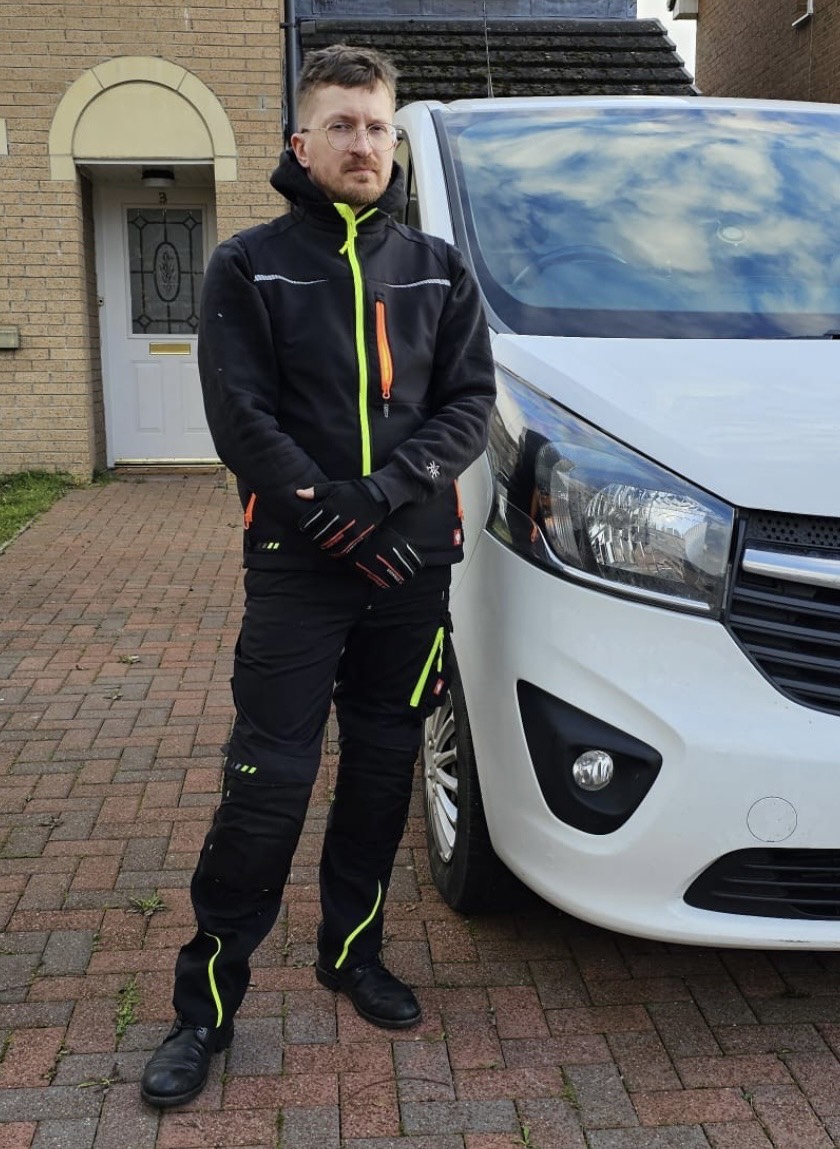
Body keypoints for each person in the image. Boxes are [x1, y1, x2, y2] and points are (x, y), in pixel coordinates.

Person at [140, 43, 496, 1109]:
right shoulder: (247, 265)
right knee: (269, 780)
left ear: (395, 141)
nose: (362, 143)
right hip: (299, 568)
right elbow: (240, 420)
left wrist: (387, 498)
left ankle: (352, 952)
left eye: (377, 126)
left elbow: (467, 407)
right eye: (340, 124)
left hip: (410, 563)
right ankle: (205, 1004)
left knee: (384, 767)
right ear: (299, 142)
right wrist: (333, 519)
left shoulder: (438, 267)